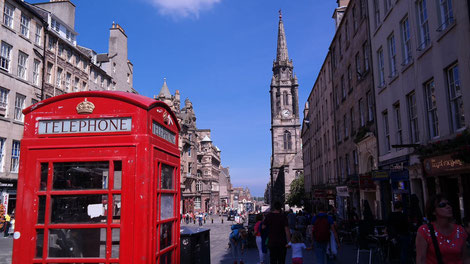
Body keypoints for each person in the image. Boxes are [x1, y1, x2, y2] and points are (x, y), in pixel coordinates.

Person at [416, 194, 470, 264]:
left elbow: (465, 258)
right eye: (442, 205)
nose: (448, 207)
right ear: (433, 211)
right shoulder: (425, 231)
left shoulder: (460, 230)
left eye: (448, 204)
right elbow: (421, 260)